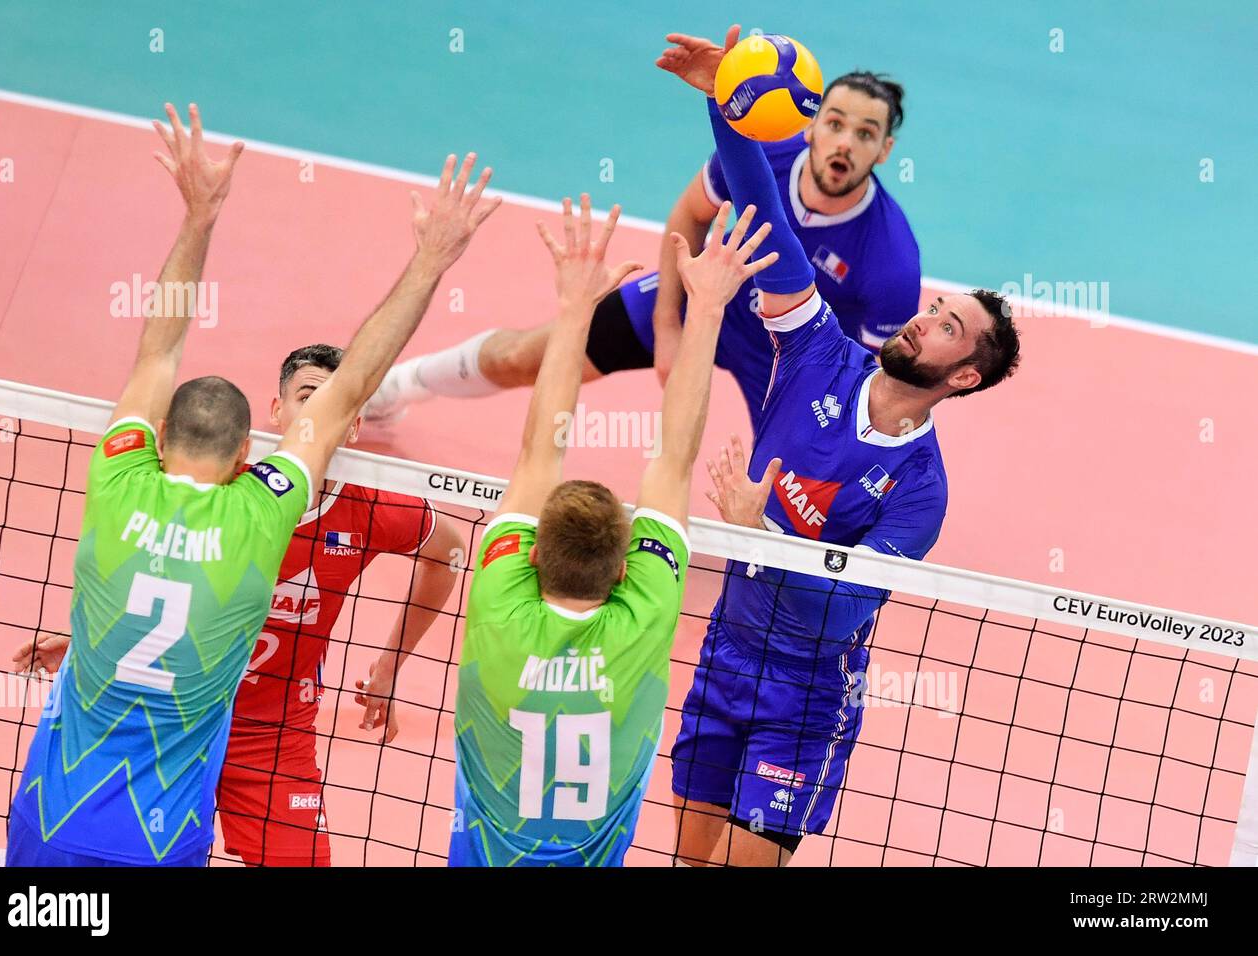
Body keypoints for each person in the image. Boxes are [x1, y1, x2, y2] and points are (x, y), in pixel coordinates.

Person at [5, 102, 499, 866]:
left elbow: (156, 351)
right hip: (164, 809)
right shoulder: (266, 505)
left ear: (157, 438)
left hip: (72, 799)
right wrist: (433, 260)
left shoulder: (119, 478)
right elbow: (352, 383)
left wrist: (199, 216)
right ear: (258, 433)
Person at [655, 30, 1021, 867]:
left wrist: (762, 535)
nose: (926, 317)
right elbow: (761, 216)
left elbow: (841, 611)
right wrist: (726, 105)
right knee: (686, 858)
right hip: (726, 651)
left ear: (960, 378)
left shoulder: (920, 491)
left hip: (807, 691)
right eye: (936, 307)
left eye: (949, 329)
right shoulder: (818, 347)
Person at [18, 343, 467, 867]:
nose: (317, 411)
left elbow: (450, 555)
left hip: (274, 735)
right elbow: (155, 570)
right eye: (306, 397)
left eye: (333, 401)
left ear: (353, 424)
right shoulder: (229, 491)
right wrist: (92, 643)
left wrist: (391, 664)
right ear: (277, 411)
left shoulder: (373, 508)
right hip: (175, 721)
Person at [364, 27, 917, 434]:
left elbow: (872, 380)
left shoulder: (890, 260)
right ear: (812, 119)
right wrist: (670, 327)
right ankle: (396, 386)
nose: (845, 142)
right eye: (836, 123)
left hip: (789, 360)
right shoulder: (759, 153)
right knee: (529, 356)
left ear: (885, 150)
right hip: (708, 300)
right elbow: (687, 218)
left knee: (780, 489)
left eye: (865, 133)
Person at [449, 195, 777, 866]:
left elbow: (540, 449)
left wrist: (575, 313)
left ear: (531, 555)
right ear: (625, 569)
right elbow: (675, 458)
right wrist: (707, 310)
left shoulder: (498, 604)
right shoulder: (643, 616)